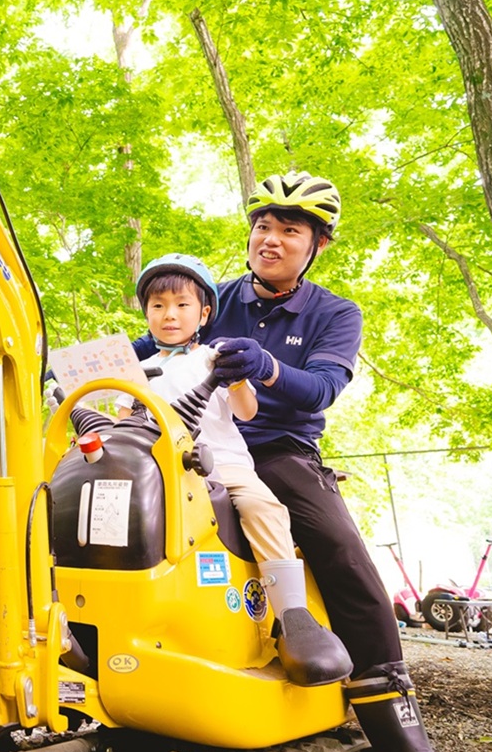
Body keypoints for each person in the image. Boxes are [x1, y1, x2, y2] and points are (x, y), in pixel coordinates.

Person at [147, 172, 492, 752]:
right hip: (186, 441)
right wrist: (72, 369)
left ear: (316, 244)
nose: (270, 239)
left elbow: (319, 389)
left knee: (344, 556)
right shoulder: (210, 297)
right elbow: (154, 344)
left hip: (276, 451)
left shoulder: (335, 313)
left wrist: (264, 367)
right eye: (263, 226)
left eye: (289, 230)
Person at [118, 254, 353, 687]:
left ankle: (293, 617)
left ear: (204, 312)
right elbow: (124, 423)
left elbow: (246, 413)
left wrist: (241, 379)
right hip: (158, 470)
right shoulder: (136, 374)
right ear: (146, 314)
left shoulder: (214, 358)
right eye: (158, 306)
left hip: (221, 464)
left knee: (263, 507)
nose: (170, 315)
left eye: (182, 305)